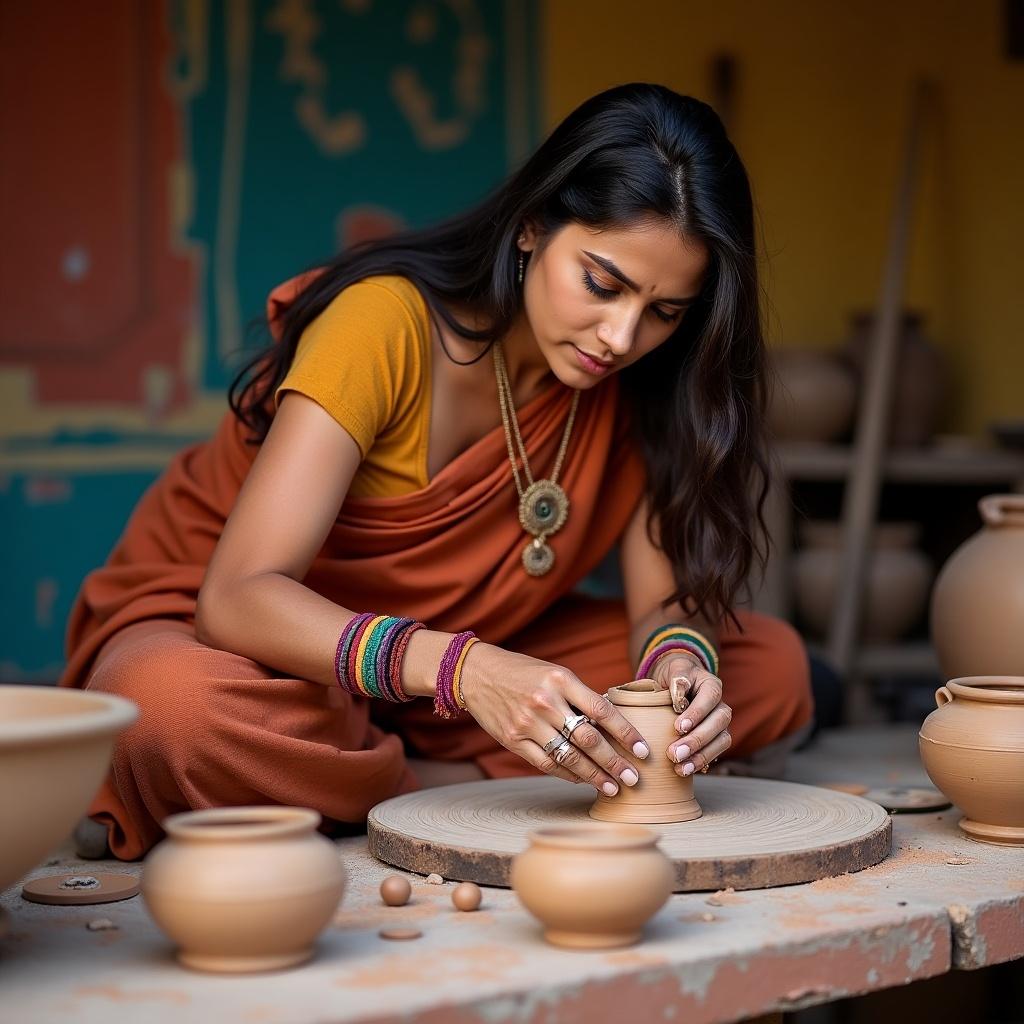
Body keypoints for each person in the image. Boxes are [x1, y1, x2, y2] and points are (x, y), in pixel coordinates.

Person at [63, 83, 813, 861]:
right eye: (602, 283)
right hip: (250, 641)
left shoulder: (643, 389)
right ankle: (444, 781)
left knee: (769, 667)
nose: (622, 335)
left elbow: (661, 603)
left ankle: (359, 776)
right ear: (531, 228)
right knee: (171, 714)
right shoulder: (382, 325)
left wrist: (678, 666)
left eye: (665, 311)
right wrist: (468, 673)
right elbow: (237, 598)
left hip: (463, 659)